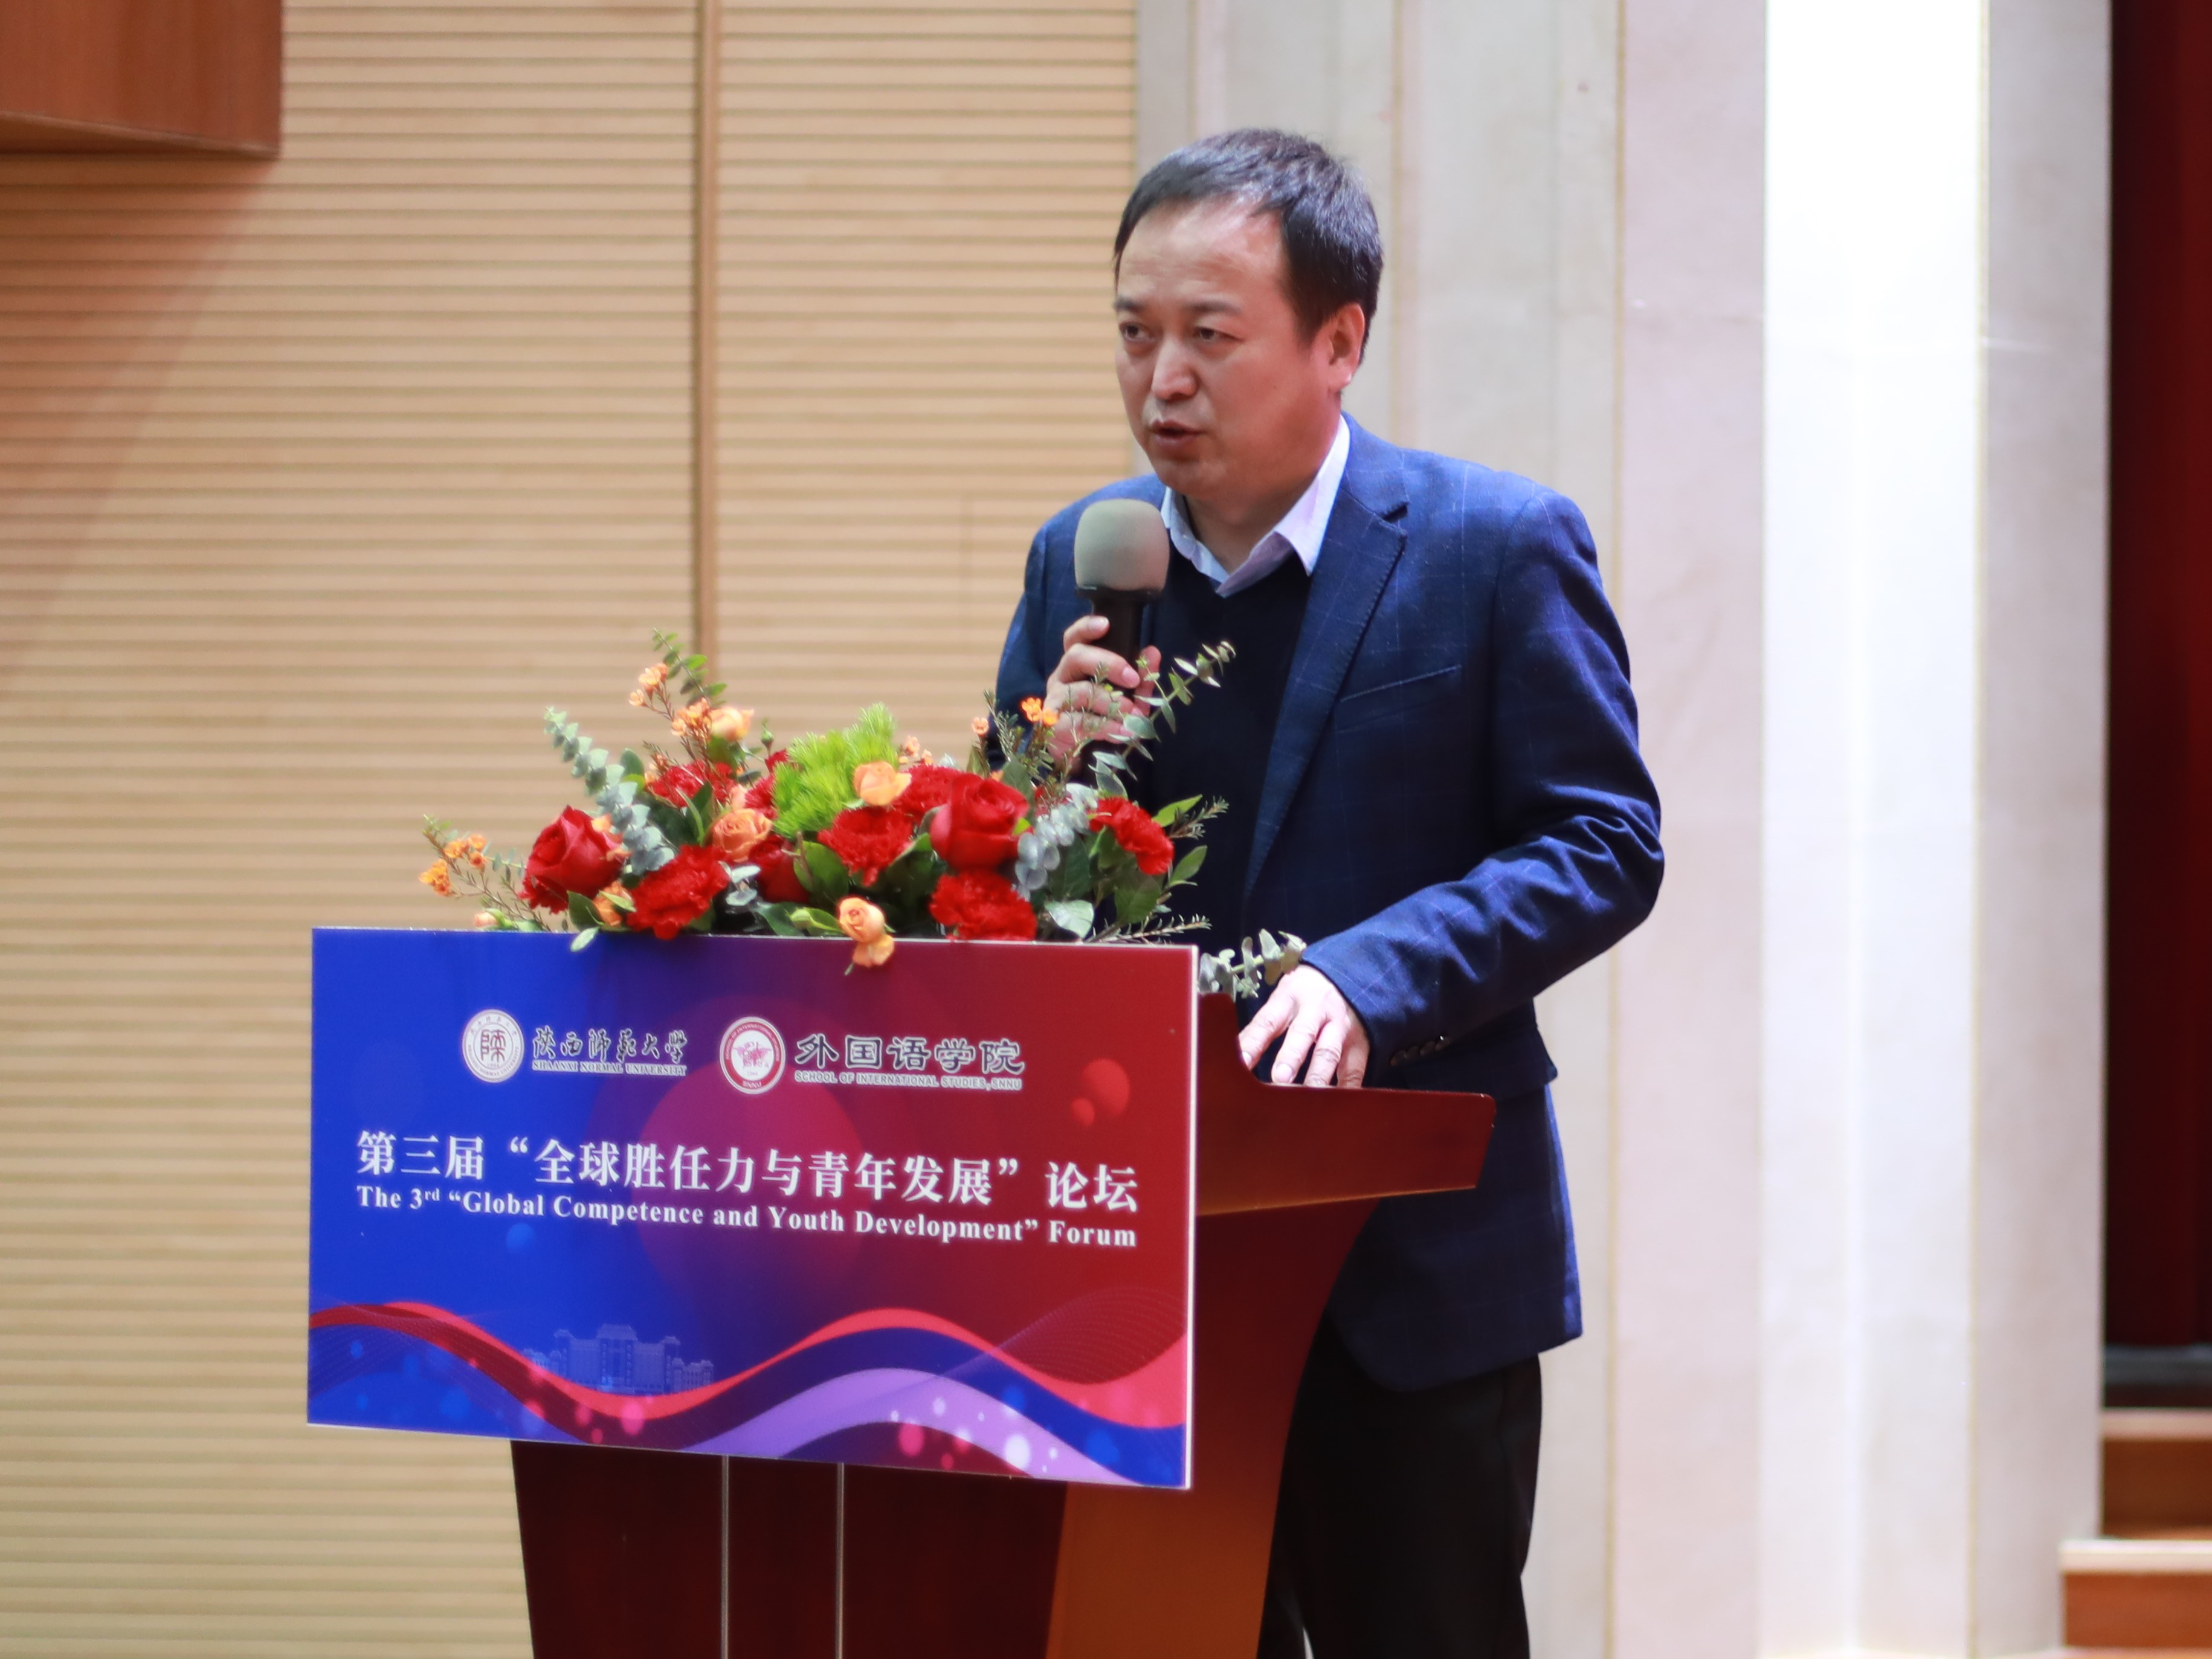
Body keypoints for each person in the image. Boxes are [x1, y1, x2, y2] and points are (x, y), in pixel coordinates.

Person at [994, 129, 1662, 1658]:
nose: (1162, 379)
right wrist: (1043, 781)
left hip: (1405, 1271)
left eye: (1208, 335)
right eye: (1134, 332)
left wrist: (1372, 973)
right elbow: (1003, 887)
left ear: (1339, 340)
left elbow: (1601, 838)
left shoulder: (1492, 549)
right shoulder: (1080, 564)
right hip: (1139, 1270)